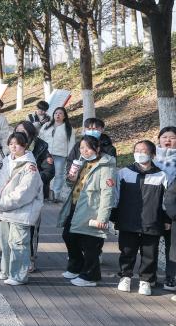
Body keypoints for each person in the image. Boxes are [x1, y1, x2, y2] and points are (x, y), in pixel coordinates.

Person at [0, 132, 44, 285]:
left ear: (24, 146)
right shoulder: (7, 161)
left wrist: (0, 203)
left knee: (19, 244)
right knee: (5, 242)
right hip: (4, 209)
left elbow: (23, 193)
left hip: (21, 212)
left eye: (17, 144)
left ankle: (18, 276)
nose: (13, 146)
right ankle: (6, 271)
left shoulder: (30, 167)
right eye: (11, 143)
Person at [59, 135, 116, 287]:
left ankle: (90, 275)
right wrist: (71, 178)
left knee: (90, 244)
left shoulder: (106, 166)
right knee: (69, 236)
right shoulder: (82, 162)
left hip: (92, 210)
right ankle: (76, 266)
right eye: (82, 148)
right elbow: (72, 184)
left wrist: (102, 218)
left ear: (97, 148)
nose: (84, 151)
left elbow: (108, 193)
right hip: (76, 206)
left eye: (88, 148)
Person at [114, 140, 166, 295]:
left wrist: (166, 219)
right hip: (128, 219)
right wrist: (115, 215)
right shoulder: (124, 173)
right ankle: (125, 277)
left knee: (150, 253)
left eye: (144, 151)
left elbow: (165, 201)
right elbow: (115, 196)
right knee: (127, 250)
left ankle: (146, 281)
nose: (140, 154)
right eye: (137, 150)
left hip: (152, 221)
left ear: (152, 154)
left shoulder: (161, 175)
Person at [15, 120, 55, 272]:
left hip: (34, 194)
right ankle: (16, 257)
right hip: (15, 194)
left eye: (23, 132)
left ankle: (30, 257)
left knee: (31, 227)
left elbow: (49, 171)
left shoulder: (41, 147)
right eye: (17, 131)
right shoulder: (12, 146)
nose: (19, 135)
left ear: (31, 134)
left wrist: (33, 179)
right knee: (15, 226)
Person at [39, 107, 76, 202]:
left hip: (60, 155)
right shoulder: (46, 125)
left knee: (59, 174)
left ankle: (55, 195)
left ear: (64, 116)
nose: (57, 115)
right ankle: (43, 193)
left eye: (60, 113)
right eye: (56, 113)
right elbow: (40, 138)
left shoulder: (69, 128)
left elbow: (71, 143)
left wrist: (69, 156)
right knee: (44, 174)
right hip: (46, 154)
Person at [155, 126, 176, 292]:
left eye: (172, 137)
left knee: (172, 247)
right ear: (159, 140)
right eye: (164, 137)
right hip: (153, 208)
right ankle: (148, 276)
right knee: (149, 244)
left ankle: (171, 277)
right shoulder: (152, 159)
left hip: (173, 210)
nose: (168, 140)